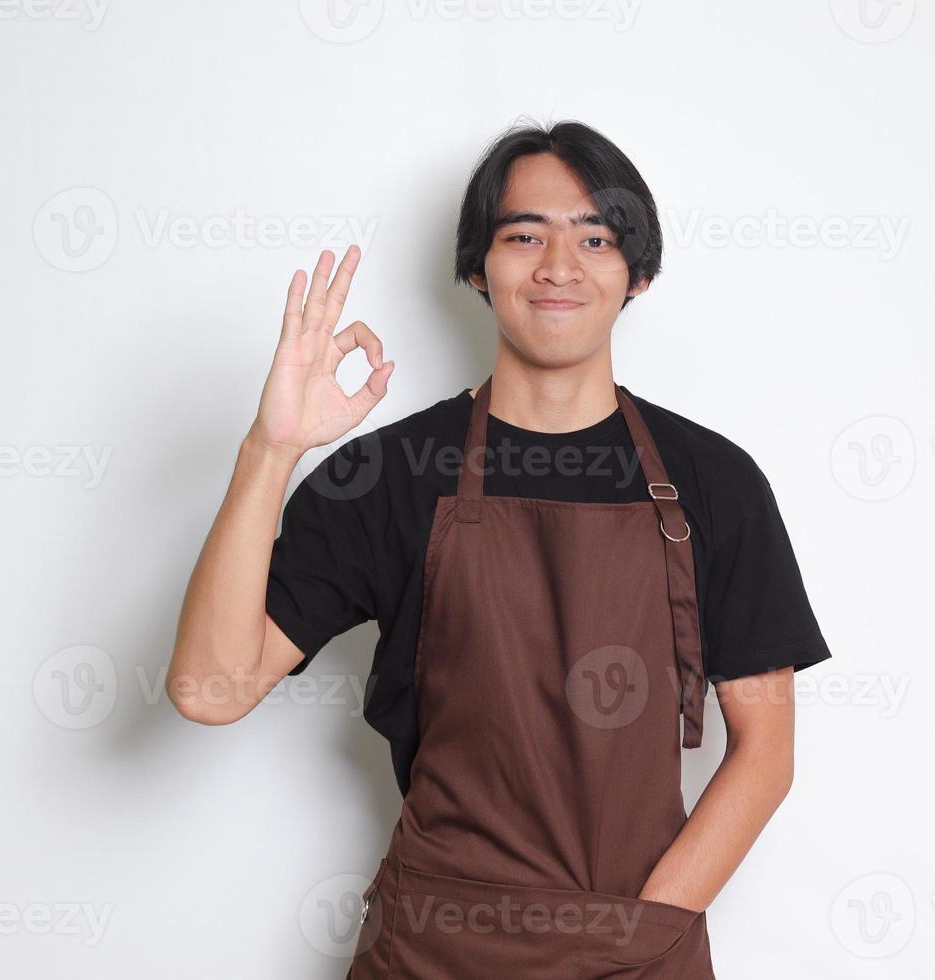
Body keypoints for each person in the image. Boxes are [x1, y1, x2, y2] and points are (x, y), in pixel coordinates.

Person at [167, 120, 832, 978]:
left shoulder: (714, 481)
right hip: (432, 950)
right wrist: (272, 450)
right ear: (477, 266)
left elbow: (765, 754)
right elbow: (208, 691)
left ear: (639, 271)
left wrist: (639, 934)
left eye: (596, 237)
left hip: (638, 948)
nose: (559, 266)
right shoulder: (386, 475)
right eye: (525, 236)